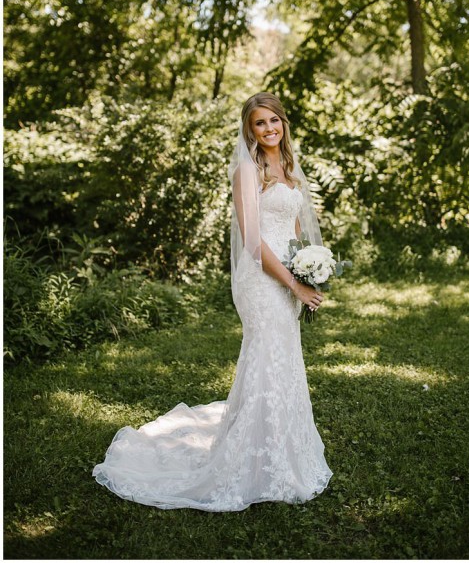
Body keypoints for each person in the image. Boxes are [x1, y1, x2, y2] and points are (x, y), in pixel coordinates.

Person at [93, 92, 332, 511]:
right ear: (249, 129)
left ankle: (279, 451)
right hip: (259, 279)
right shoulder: (246, 170)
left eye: (273, 120)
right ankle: (252, 462)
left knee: (283, 357)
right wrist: (294, 286)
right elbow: (255, 243)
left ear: (283, 123)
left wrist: (307, 270)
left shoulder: (289, 167)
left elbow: (293, 231)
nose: (268, 129)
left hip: (287, 273)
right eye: (259, 123)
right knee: (266, 355)